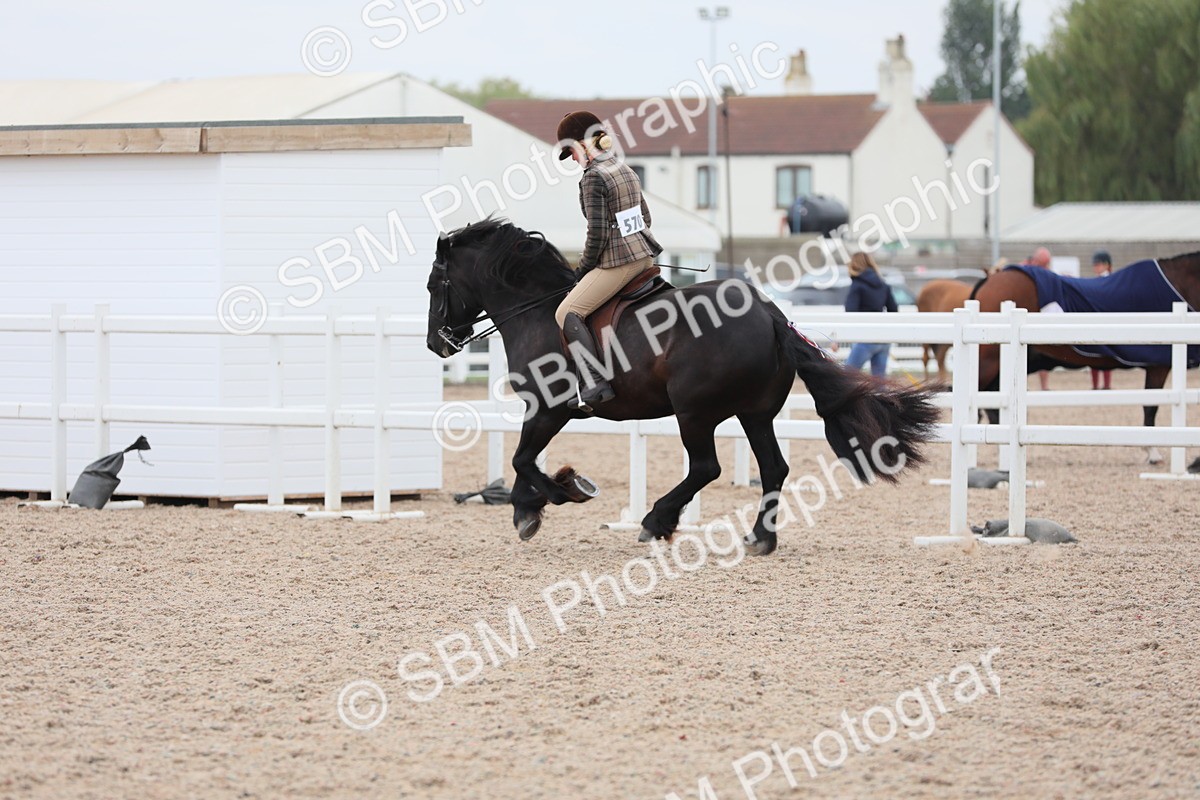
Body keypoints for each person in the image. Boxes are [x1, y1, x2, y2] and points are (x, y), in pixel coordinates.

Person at [553, 110, 662, 413]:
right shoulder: (623, 168)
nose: (573, 160)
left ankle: (593, 382)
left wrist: (584, 268)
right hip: (645, 257)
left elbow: (597, 234)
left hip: (620, 263)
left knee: (568, 311)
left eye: (571, 152)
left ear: (582, 144)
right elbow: (646, 218)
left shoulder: (593, 178)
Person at [843, 252, 897, 377]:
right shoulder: (884, 285)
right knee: (879, 383)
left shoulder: (857, 286)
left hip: (864, 338)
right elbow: (894, 310)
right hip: (882, 339)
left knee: (846, 378)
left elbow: (850, 312)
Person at [1024, 246, 1053, 389]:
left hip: (1038, 323)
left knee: (1041, 357)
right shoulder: (1028, 274)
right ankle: (1024, 385)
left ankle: (1044, 386)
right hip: (1028, 323)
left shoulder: (1044, 276)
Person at [1090, 250, 1114, 390]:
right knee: (1095, 354)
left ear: (1106, 265)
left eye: (1098, 264)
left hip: (1106, 320)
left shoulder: (1108, 281)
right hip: (1096, 319)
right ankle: (1096, 385)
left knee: (1105, 354)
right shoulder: (1095, 281)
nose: (1096, 267)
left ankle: (1105, 384)